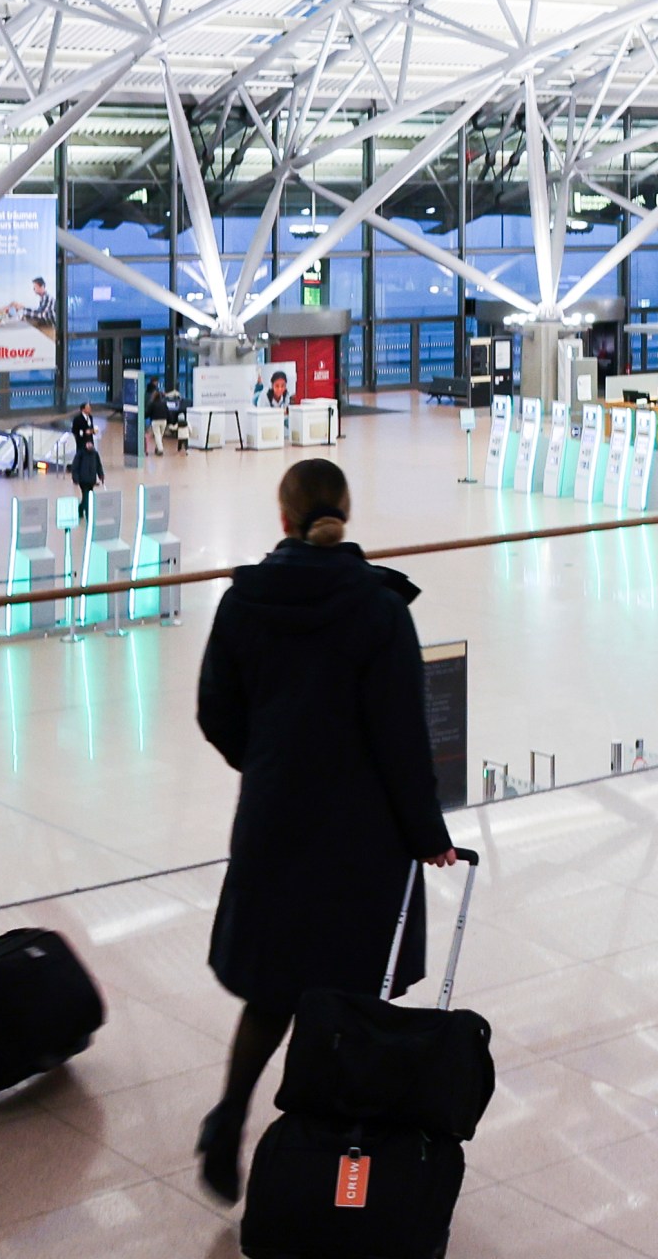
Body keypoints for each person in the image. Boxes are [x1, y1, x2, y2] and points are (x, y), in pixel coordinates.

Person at [193, 459, 458, 1203]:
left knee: (274, 988)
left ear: (283, 520)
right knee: (352, 998)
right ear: (346, 512)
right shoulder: (378, 609)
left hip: (277, 819)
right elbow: (404, 739)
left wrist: (269, 762)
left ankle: (231, 1116)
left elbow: (216, 712)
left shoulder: (244, 602)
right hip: (364, 836)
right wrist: (425, 830)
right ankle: (330, 1161)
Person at [70, 429, 104, 511]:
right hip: (83, 480)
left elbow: (98, 465)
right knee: (86, 497)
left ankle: (81, 509)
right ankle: (87, 512)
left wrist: (101, 475)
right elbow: (75, 467)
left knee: (88, 496)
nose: (89, 445)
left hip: (91, 480)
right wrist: (75, 478)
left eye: (90, 443)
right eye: (88, 443)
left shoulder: (95, 454)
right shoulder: (80, 454)